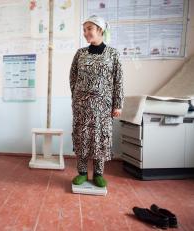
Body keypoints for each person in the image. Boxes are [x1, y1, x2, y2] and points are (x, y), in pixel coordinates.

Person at [70, 15, 124, 188]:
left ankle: (99, 174)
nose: (85, 33)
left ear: (100, 30)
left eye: (89, 29)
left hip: (103, 107)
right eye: (84, 30)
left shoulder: (113, 54)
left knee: (100, 138)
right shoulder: (80, 53)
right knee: (82, 137)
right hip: (82, 106)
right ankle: (83, 173)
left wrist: (117, 104)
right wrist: (76, 97)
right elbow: (73, 77)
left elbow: (119, 80)